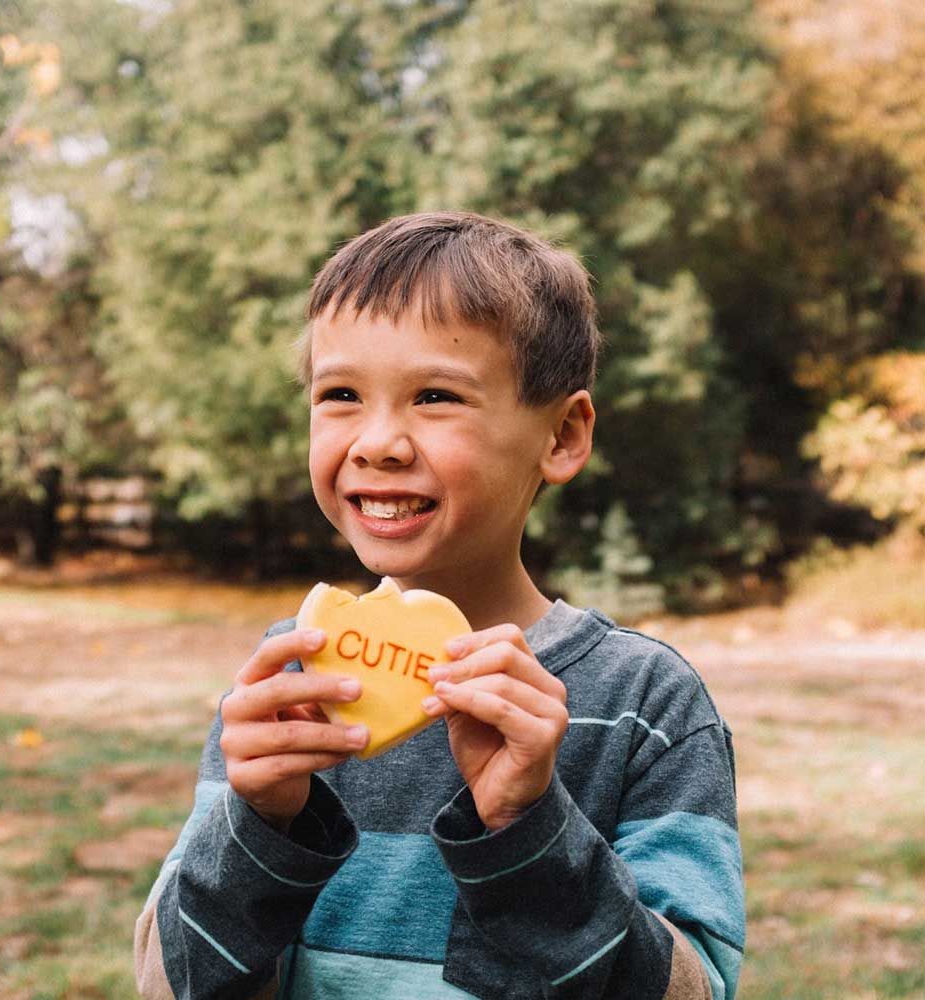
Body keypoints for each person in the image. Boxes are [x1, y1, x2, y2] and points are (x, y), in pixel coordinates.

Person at [133, 212, 745, 1000]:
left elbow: (692, 994)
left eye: (434, 396)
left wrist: (530, 832)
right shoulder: (289, 682)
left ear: (561, 435)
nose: (378, 442)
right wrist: (260, 828)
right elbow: (167, 985)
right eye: (341, 394)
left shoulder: (645, 705)